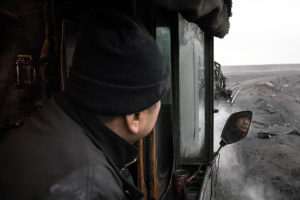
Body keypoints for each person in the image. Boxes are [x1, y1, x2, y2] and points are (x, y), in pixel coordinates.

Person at [0, 8, 169, 200]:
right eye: (158, 98)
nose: (160, 105)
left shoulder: (45, 122)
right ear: (135, 117)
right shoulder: (90, 188)